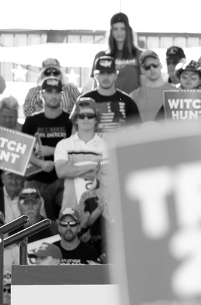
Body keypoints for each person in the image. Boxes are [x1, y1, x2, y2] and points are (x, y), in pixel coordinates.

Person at [20, 77, 73, 221]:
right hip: (37, 180)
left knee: (73, 213)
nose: (54, 96)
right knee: (33, 218)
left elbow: (74, 151)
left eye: (57, 92)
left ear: (62, 94)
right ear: (42, 94)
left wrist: (53, 150)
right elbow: (24, 151)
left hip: (63, 180)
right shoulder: (31, 121)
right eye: (49, 92)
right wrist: (40, 163)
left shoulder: (70, 121)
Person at [54, 98, 107, 211]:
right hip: (70, 209)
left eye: (90, 116)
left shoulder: (106, 146)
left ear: (96, 119)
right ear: (76, 119)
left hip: (98, 210)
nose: (86, 119)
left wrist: (72, 168)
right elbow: (61, 172)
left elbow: (106, 178)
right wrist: (94, 167)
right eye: (81, 116)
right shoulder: (63, 144)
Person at [80, 55, 140, 133]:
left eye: (109, 73)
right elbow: (75, 131)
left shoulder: (128, 102)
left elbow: (137, 132)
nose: (106, 77)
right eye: (102, 73)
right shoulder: (84, 100)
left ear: (115, 75)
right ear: (95, 76)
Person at [93, 13, 142, 93]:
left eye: (122, 28)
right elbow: (95, 88)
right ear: (111, 31)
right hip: (108, 103)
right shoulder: (101, 57)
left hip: (132, 103)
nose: (119, 32)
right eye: (115, 29)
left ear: (128, 30)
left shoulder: (139, 55)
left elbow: (144, 87)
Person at [128, 50, 172, 122]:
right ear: (142, 69)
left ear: (160, 65)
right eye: (147, 66)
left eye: (155, 64)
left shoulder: (176, 91)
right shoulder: (133, 96)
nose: (152, 69)